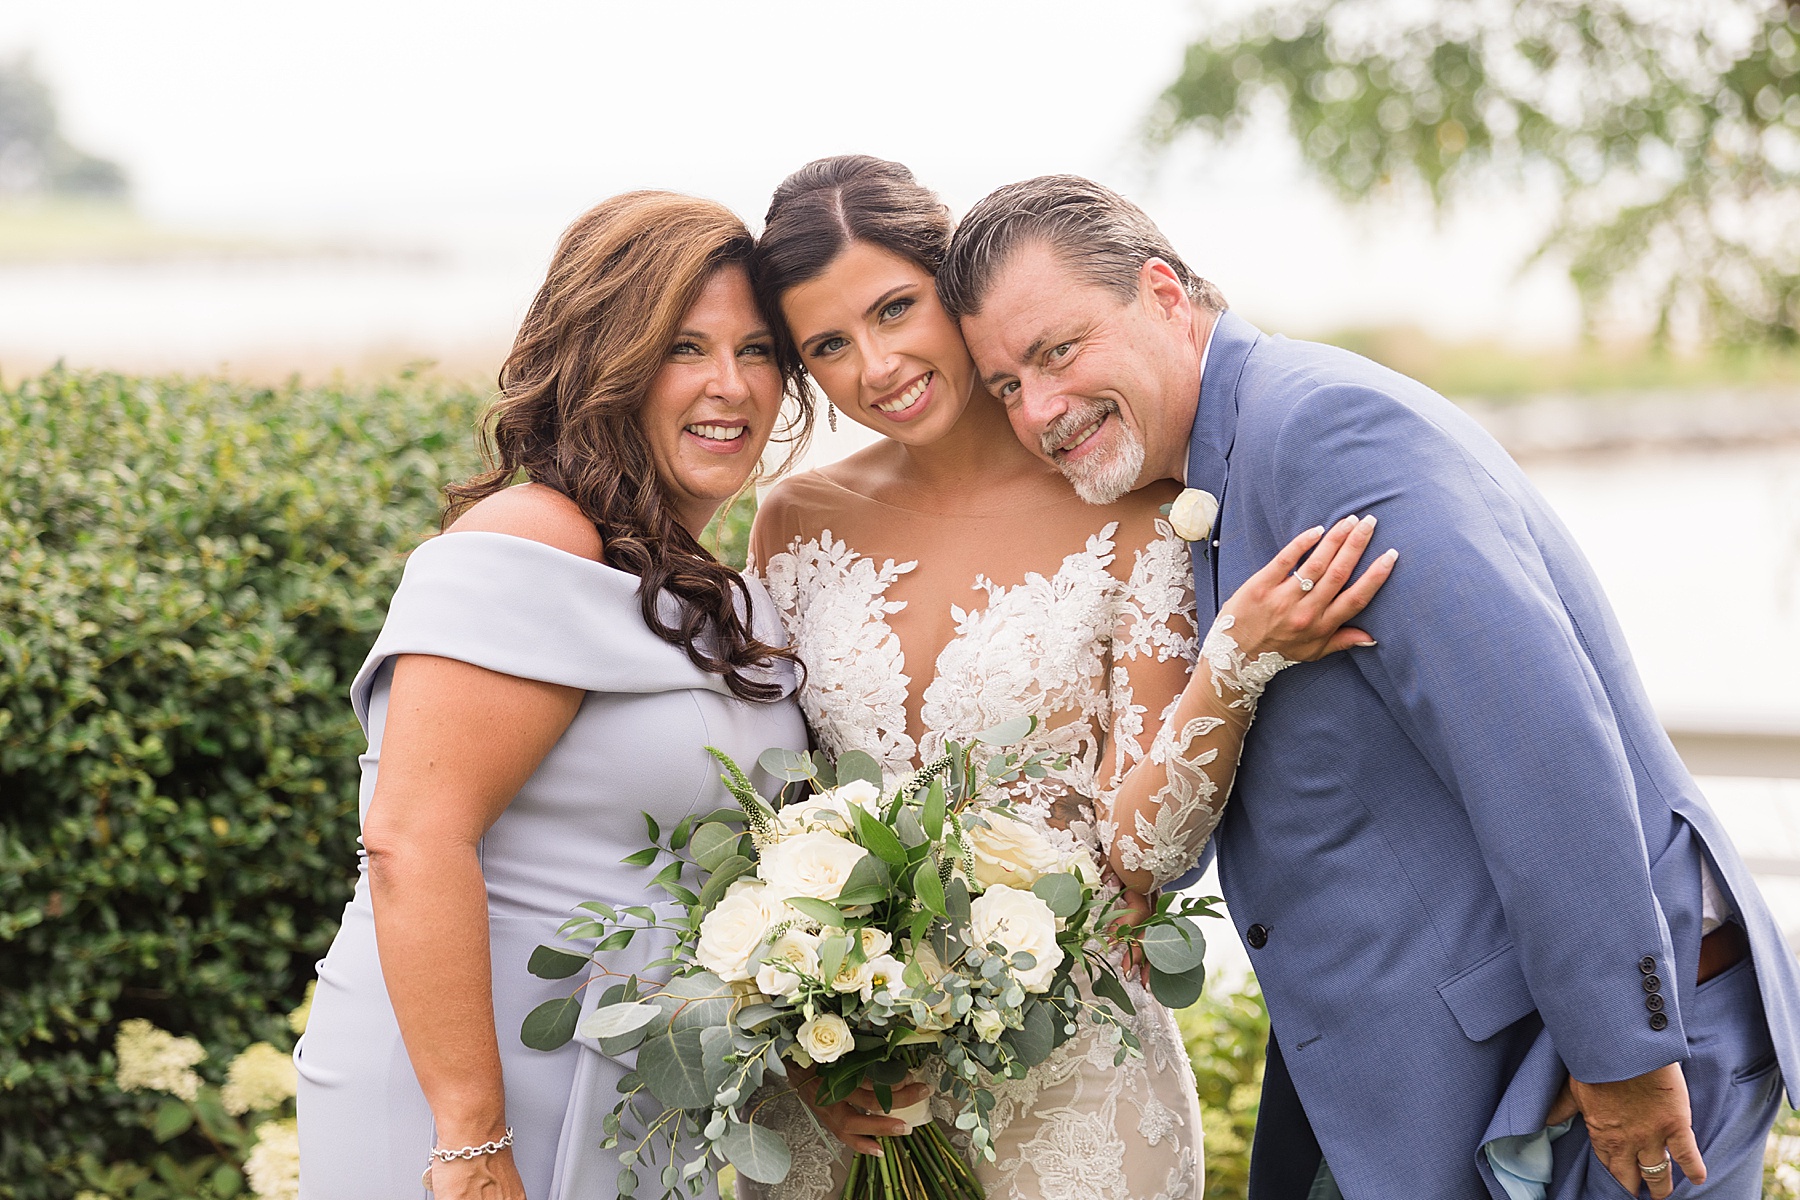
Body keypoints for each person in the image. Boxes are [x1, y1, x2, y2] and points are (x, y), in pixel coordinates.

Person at [939, 173, 1800, 1200]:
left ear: (1164, 296)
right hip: (1480, 1070)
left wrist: (1621, 1053)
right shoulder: (1222, 462)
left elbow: (1538, 743)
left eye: (1057, 350)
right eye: (1005, 387)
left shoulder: (1322, 436)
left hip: (1598, 1075)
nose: (1037, 410)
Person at [740, 155, 1392, 1200]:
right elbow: (768, 803)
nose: (877, 364)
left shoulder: (1126, 499)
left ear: (954, 294)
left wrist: (1235, 659)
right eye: (828, 345)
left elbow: (1145, 854)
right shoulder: (794, 520)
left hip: (1071, 1075)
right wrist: (807, 1032)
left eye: (896, 309)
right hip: (843, 1094)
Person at [294, 192, 810, 1200]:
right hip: (474, 1090)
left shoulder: (716, 585)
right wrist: (471, 1141)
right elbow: (413, 840)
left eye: (757, 352)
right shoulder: (525, 537)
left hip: (646, 1083)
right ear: (603, 359)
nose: (731, 386)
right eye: (684, 348)